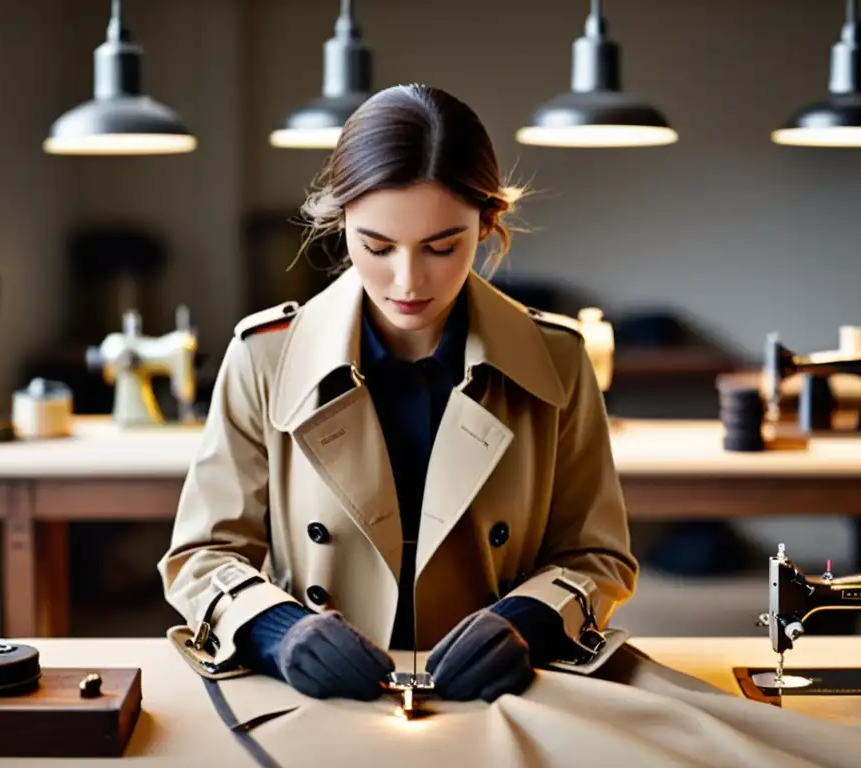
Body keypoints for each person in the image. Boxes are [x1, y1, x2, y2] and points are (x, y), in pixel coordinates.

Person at [157, 83, 638, 705]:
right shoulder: (265, 358)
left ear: (488, 223)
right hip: (315, 699)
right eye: (376, 247)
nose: (408, 281)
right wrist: (278, 632)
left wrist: (529, 621)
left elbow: (596, 555)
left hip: (501, 697)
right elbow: (202, 554)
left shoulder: (557, 361)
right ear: (341, 221)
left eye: (443, 247)